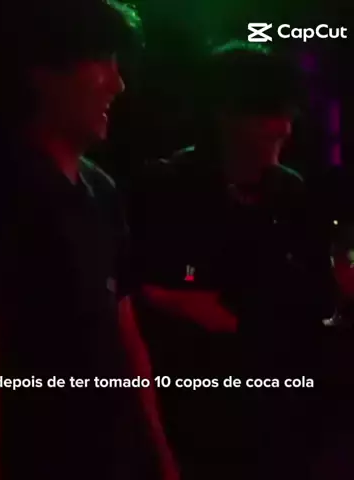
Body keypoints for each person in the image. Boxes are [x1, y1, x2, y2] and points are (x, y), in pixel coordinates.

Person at [0, 2, 178, 480]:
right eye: (102, 61)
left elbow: (126, 333)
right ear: (44, 71)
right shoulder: (2, 187)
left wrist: (160, 456)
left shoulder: (102, 190)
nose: (118, 84)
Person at [129, 41, 332, 479]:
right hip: (197, 414)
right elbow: (147, 293)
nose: (283, 128)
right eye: (268, 114)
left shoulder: (290, 193)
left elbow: (314, 296)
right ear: (224, 114)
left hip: (281, 411)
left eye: (287, 114)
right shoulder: (168, 186)